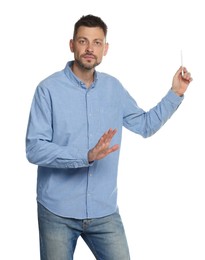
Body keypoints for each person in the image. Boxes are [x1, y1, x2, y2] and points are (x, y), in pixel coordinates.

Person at [26, 14, 192, 260]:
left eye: (97, 42)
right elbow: (35, 149)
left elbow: (145, 125)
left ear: (105, 48)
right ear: (72, 45)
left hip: (104, 211)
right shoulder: (47, 90)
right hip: (57, 211)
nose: (89, 48)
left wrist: (175, 93)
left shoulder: (114, 89)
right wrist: (86, 156)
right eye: (83, 41)